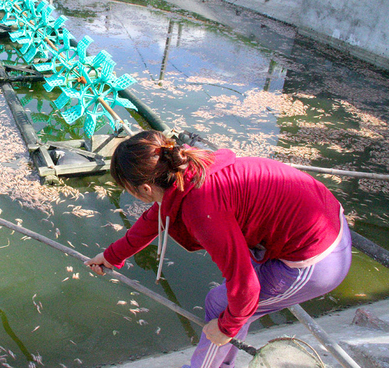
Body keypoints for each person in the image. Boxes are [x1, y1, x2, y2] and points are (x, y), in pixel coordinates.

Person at [85, 130, 352, 368]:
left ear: (144, 188)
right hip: (325, 221)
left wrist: (227, 327)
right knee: (234, 305)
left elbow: (246, 286)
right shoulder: (189, 170)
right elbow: (155, 218)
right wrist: (110, 257)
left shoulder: (201, 207)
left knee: (222, 305)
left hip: (318, 258)